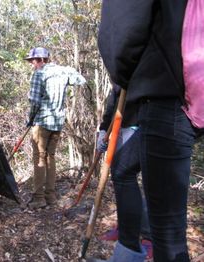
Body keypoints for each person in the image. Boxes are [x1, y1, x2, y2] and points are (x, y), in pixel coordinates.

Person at [98, 1, 199, 261]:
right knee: (122, 168)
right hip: (186, 92)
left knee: (168, 234)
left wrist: (124, 73)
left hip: (166, 95)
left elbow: (123, 31)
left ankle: (136, 246)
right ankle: (128, 251)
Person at [24, 47, 86, 209]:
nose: (32, 64)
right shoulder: (63, 72)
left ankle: (39, 198)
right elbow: (81, 80)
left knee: (39, 158)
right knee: (50, 157)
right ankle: (50, 196)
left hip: (42, 122)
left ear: (42, 60)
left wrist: (30, 119)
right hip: (57, 122)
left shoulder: (39, 74)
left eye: (34, 61)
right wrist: (67, 70)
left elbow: (35, 101)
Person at [97, 84, 153, 260]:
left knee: (144, 180)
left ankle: (148, 237)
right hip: (121, 125)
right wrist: (104, 128)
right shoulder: (120, 66)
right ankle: (126, 227)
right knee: (120, 176)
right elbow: (114, 97)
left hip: (144, 123)